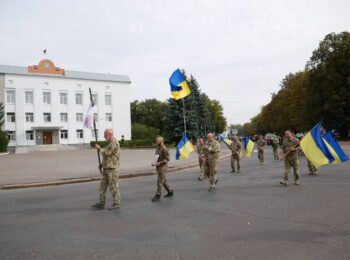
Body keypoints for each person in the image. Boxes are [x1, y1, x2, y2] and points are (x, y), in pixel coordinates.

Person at [91, 129, 121, 210]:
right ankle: (101, 203)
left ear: (109, 134)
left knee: (113, 187)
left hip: (112, 170)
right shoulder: (110, 143)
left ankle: (116, 204)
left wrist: (99, 148)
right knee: (102, 187)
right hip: (106, 169)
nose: (104, 136)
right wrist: (101, 164)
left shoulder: (114, 143)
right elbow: (108, 157)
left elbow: (107, 153)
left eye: (105, 135)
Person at [151, 136, 174, 202]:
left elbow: (167, 159)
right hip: (158, 167)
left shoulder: (164, 148)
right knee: (164, 181)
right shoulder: (158, 148)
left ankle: (158, 195)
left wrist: (160, 163)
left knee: (159, 181)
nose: (156, 142)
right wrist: (154, 163)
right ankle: (170, 191)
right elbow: (156, 157)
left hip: (162, 167)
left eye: (157, 141)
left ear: (161, 141)